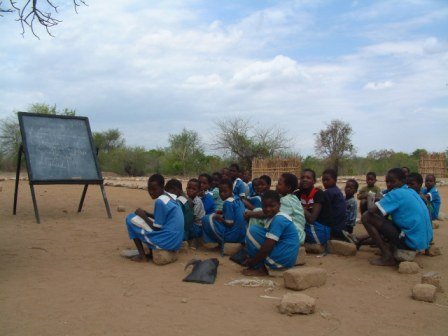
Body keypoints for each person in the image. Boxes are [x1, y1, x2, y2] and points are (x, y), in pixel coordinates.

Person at [361, 168, 433, 266]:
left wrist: (370, 197)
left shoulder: (396, 193)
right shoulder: (410, 191)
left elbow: (370, 209)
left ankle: (387, 256)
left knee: (367, 217)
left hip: (411, 242)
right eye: (387, 182)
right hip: (422, 242)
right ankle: (390, 248)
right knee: (385, 216)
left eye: (392, 181)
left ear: (403, 181)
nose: (389, 184)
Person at [124, 174, 184, 262]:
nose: (151, 192)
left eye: (154, 189)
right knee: (139, 219)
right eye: (149, 189)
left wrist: (144, 216)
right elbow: (165, 218)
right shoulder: (171, 197)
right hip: (176, 241)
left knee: (130, 219)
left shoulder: (160, 201)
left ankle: (142, 256)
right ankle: (149, 251)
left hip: (168, 242)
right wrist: (147, 214)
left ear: (162, 187)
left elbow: (156, 228)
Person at [243, 190, 299, 276]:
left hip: (282, 260)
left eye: (272, 206)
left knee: (251, 232)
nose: (268, 209)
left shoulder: (279, 219)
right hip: (285, 256)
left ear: (279, 205)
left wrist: (253, 262)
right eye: (265, 206)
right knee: (256, 231)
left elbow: (267, 247)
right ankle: (260, 264)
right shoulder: (275, 217)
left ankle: (259, 268)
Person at [201, 178, 246, 245]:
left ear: (231, 190)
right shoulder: (237, 198)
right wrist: (222, 212)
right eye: (220, 191)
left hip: (233, 236)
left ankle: (214, 242)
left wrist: (218, 217)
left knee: (206, 219)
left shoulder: (228, 202)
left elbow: (229, 223)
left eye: (225, 191)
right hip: (242, 234)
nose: (222, 194)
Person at [295, 169, 333, 246]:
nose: (304, 180)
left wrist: (297, 204)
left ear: (314, 181)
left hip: (320, 230)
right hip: (310, 227)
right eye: (302, 178)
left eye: (308, 178)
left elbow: (312, 219)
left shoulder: (318, 194)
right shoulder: (298, 194)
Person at [276, 173, 306, 245]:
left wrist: (253, 213)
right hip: (300, 235)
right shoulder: (294, 198)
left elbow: (273, 215)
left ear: (288, 187)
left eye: (279, 184)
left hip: (294, 236)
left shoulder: (285, 200)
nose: (276, 186)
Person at [322, 168, 349, 241]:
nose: (325, 182)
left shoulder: (329, 193)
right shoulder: (337, 191)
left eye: (327, 180)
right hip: (341, 226)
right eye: (323, 180)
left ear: (335, 180)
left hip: (335, 228)